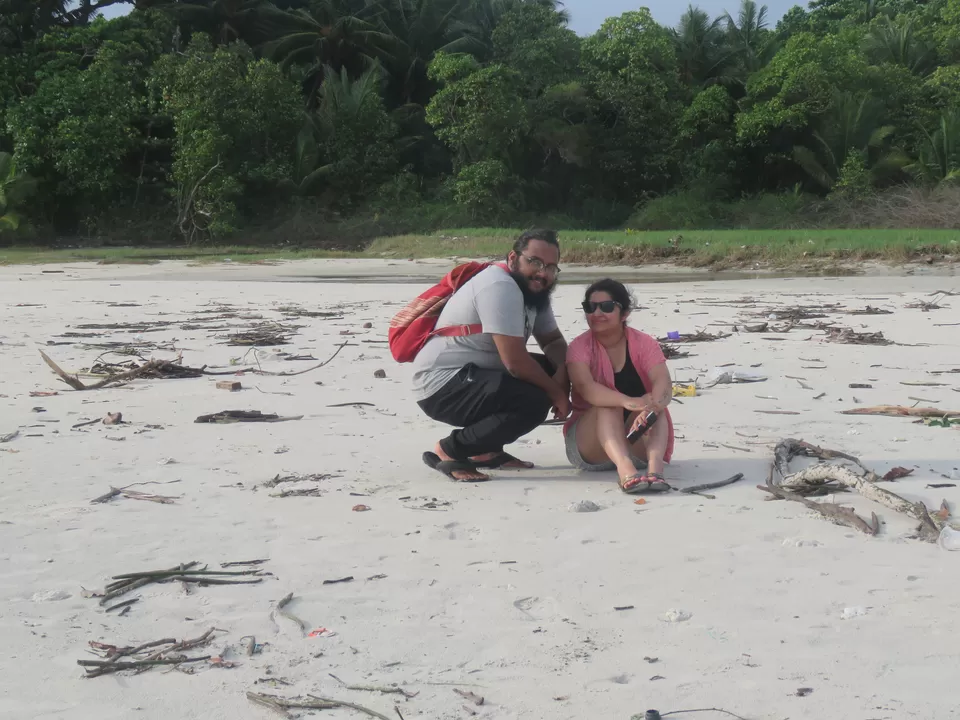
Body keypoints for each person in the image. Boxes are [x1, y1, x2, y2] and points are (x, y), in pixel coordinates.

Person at [413, 229, 571, 482]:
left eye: (551, 267)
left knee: (553, 370)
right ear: (513, 258)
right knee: (534, 401)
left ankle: (485, 450)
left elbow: (552, 340)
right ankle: (452, 449)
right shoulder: (500, 285)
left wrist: (564, 371)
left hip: (476, 373)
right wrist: (557, 393)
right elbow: (515, 362)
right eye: (535, 262)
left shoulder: (534, 291)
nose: (543, 273)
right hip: (442, 385)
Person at [563, 278, 675, 494]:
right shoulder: (579, 348)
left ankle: (655, 467)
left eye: (606, 307)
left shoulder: (644, 343)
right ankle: (625, 471)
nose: (596, 314)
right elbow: (588, 390)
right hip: (590, 446)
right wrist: (630, 402)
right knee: (608, 404)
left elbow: (663, 382)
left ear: (624, 313)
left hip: (636, 442)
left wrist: (650, 407)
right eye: (590, 307)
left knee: (656, 404)